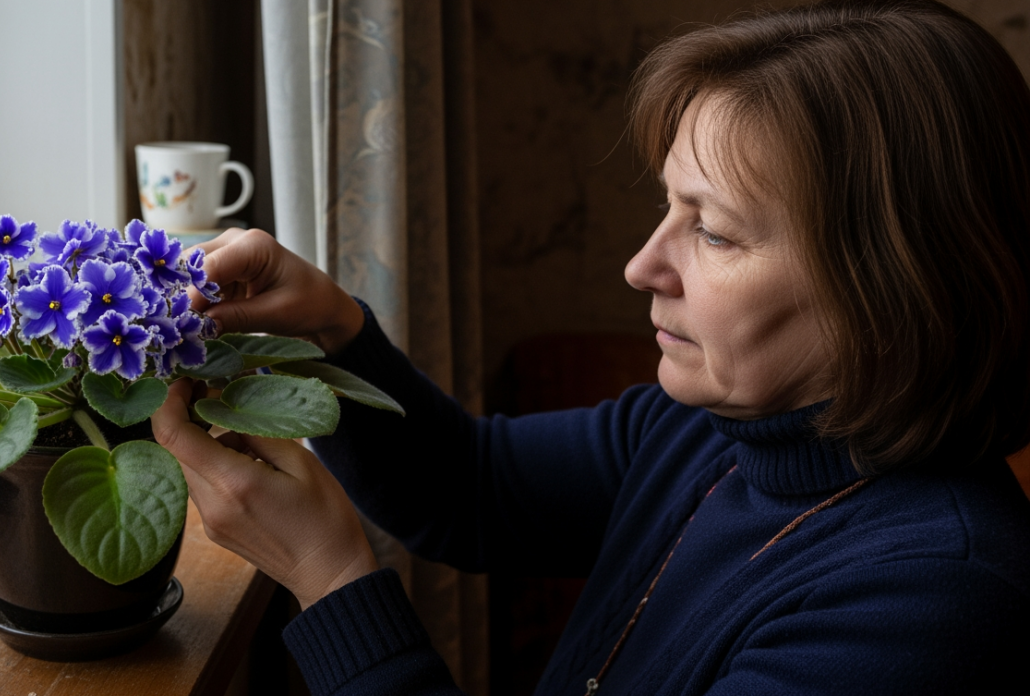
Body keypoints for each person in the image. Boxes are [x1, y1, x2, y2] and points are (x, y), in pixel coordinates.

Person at [151, 1, 1030, 693]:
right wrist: (329, 325)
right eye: (668, 208)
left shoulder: (932, 601)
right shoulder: (714, 427)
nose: (643, 266)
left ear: (893, 288)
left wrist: (330, 577)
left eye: (715, 233)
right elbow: (469, 489)